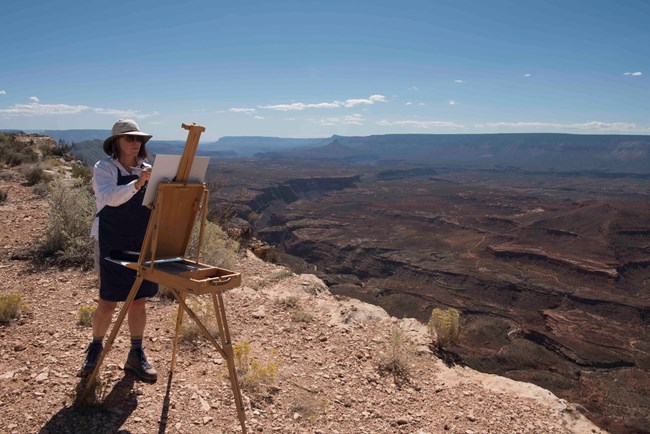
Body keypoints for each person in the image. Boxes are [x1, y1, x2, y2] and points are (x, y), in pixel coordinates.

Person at [78, 119, 158, 382]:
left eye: (138, 139)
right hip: (111, 239)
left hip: (140, 240)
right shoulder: (105, 168)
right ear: (116, 143)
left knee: (138, 300)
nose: (136, 143)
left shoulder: (147, 168)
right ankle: (95, 347)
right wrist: (137, 184)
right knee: (108, 301)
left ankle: (136, 352)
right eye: (129, 139)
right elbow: (108, 198)